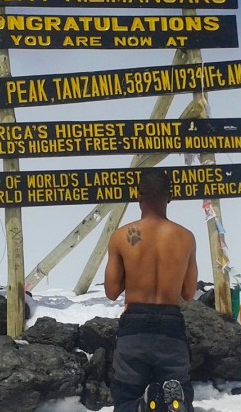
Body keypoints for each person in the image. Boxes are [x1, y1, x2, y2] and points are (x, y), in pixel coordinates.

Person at [104, 169, 198, 412]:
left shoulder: (120, 236)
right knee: (177, 392)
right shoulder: (186, 238)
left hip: (135, 325)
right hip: (170, 326)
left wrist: (135, 267)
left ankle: (141, 406)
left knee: (126, 394)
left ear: (139, 197)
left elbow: (112, 291)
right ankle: (170, 401)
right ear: (170, 197)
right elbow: (188, 292)